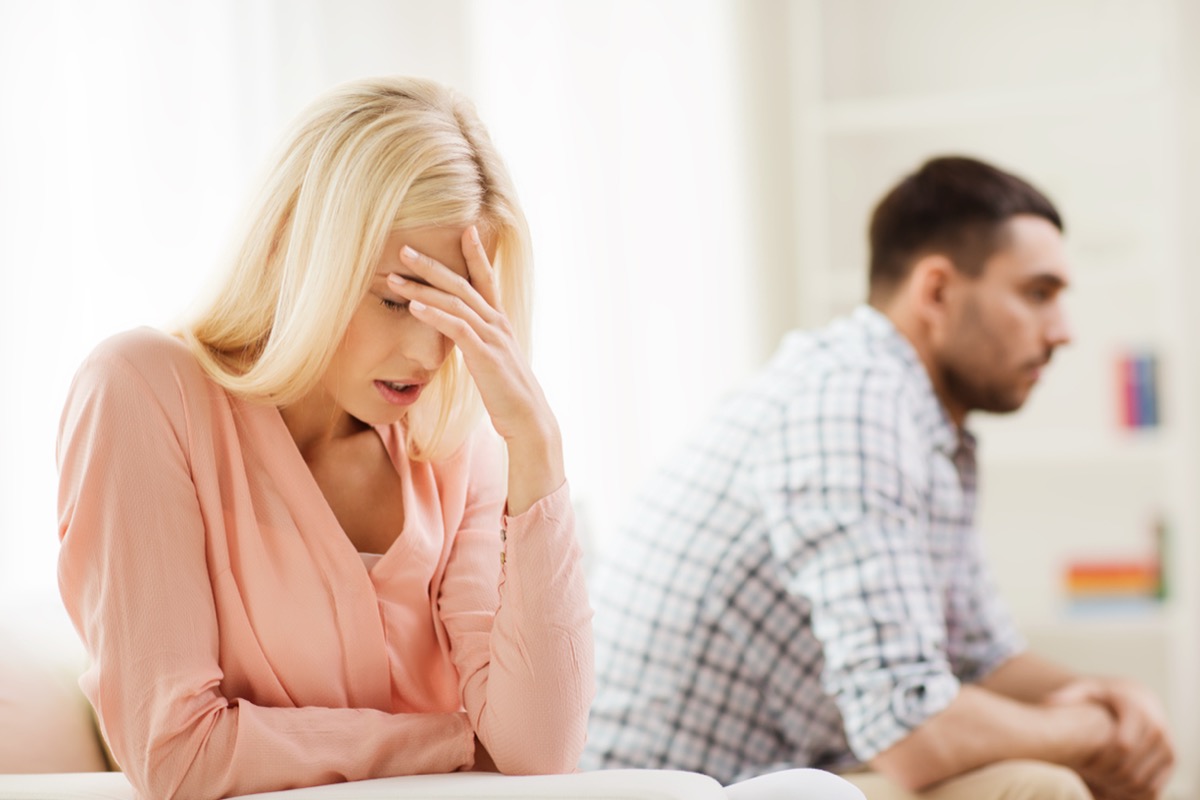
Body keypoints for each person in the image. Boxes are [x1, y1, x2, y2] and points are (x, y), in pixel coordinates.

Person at [55, 76, 594, 800]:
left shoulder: (460, 446)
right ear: (295, 251)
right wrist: (456, 743)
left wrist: (537, 443)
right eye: (398, 300)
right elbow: (178, 756)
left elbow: (540, 752)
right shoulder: (144, 392)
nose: (429, 355)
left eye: (459, 309)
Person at [581, 156, 1175, 800]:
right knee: (1039, 787)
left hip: (793, 770)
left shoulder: (921, 422)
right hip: (686, 788)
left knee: (1081, 764)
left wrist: (1120, 702)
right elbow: (915, 732)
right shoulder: (851, 403)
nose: (1063, 332)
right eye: (1038, 293)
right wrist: (1094, 730)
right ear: (937, 293)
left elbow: (985, 657)